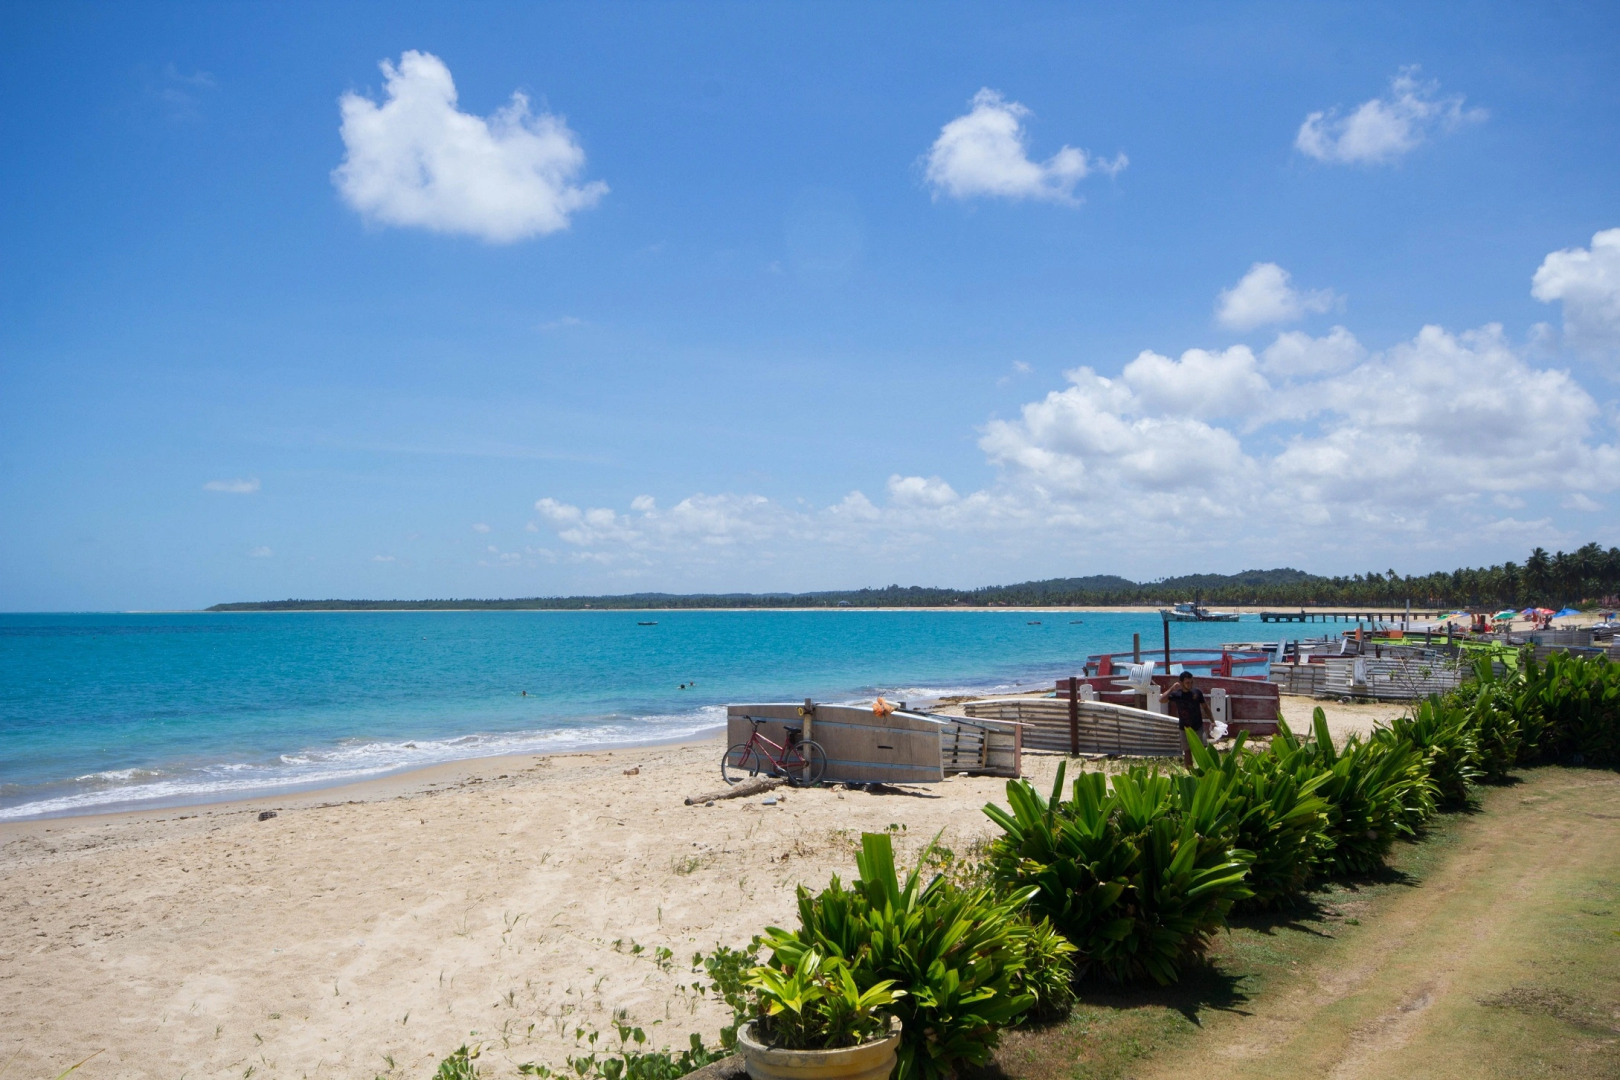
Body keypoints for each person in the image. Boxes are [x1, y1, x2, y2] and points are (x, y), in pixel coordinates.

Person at [1164, 670, 1212, 767]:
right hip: (1184, 728)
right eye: (1187, 683)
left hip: (1198, 726)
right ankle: (1190, 771)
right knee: (1187, 751)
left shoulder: (1197, 693)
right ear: (1181, 683)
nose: (1190, 685)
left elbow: (1205, 707)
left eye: (1191, 682)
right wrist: (1172, 688)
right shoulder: (1177, 694)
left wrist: (1213, 721)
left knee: (1202, 750)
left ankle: (1204, 770)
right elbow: (1162, 699)